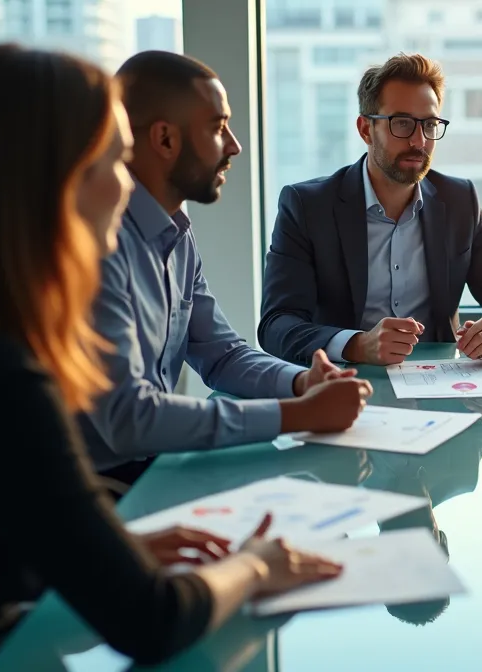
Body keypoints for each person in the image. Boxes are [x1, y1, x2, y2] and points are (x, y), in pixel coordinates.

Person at [0, 45, 341, 670]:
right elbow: (153, 620)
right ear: (56, 181)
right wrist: (256, 565)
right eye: (112, 158)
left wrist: (113, 539)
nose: (125, 182)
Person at [80, 51, 372, 484]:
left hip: (154, 468)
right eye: (218, 128)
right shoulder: (101, 244)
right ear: (165, 140)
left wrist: (302, 383)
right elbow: (130, 419)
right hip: (101, 487)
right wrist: (296, 414)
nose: (234, 145)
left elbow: (222, 354)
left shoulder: (175, 232)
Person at [259, 53, 482, 366]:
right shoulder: (307, 206)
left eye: (430, 124)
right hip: (345, 382)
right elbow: (277, 324)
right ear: (366, 129)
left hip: (441, 385)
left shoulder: (460, 201)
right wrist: (357, 345)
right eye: (402, 124)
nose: (419, 141)